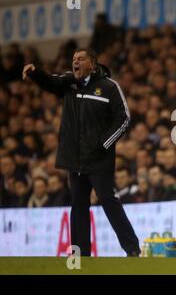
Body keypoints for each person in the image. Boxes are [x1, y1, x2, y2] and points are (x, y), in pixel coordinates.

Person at [22, 48, 140, 257]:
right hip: (75, 160)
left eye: (81, 58)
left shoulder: (109, 87)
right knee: (78, 205)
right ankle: (80, 253)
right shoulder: (68, 83)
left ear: (92, 64)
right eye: (74, 58)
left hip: (99, 159)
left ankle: (132, 249)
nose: (75, 62)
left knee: (107, 200)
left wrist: (104, 145)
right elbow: (50, 82)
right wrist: (35, 73)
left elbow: (124, 119)